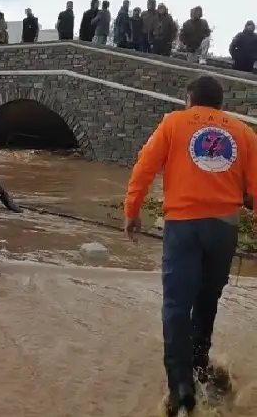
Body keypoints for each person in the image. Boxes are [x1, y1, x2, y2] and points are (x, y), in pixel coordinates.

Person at [124, 75, 254, 417]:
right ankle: (200, 366)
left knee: (176, 306)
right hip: (224, 228)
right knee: (207, 300)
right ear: (222, 105)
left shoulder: (173, 123)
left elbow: (144, 168)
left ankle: (181, 389)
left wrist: (132, 211)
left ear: (188, 100)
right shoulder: (243, 133)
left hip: (182, 226)